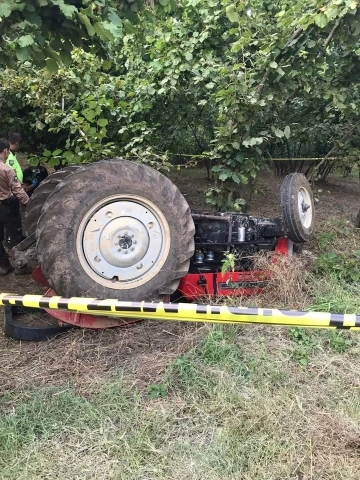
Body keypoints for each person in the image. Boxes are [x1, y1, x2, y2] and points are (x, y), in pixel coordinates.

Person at [0, 138, 29, 276]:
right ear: (5, 151)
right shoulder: (7, 169)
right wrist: (28, 203)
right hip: (7, 206)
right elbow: (18, 190)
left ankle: (4, 265)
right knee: (15, 236)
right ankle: (20, 266)